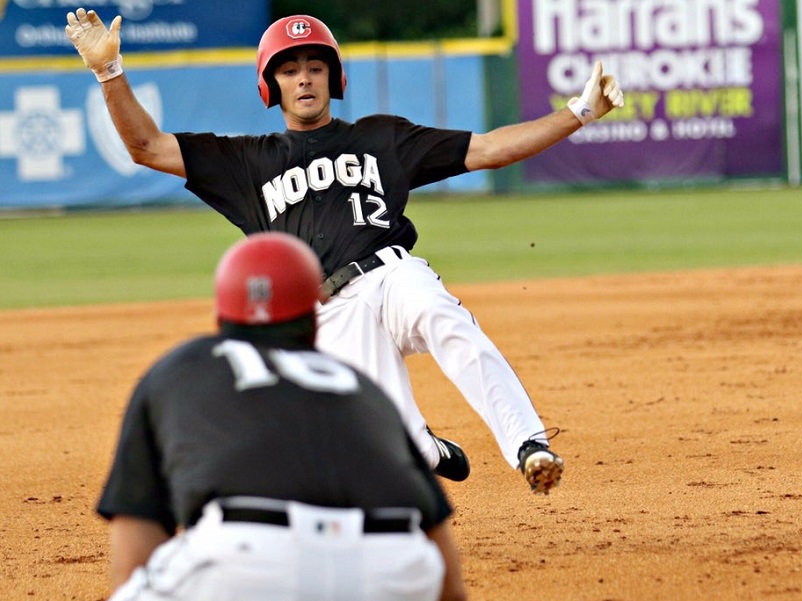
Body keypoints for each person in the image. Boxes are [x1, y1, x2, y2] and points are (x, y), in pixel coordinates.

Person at [65, 8, 625, 494]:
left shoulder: (383, 137)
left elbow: (491, 150)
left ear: (333, 78)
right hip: (327, 312)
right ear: (271, 85)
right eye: (290, 69)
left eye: (315, 67)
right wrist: (109, 72)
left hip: (392, 274)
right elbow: (146, 147)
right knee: (381, 443)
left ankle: (529, 446)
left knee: (441, 316)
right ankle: (424, 447)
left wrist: (578, 113)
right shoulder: (246, 162)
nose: (304, 78)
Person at [95, 231, 466, 601]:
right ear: (313, 316)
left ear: (220, 314)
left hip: (244, 557)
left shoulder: (180, 367)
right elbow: (446, 576)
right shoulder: (362, 389)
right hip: (393, 565)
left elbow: (132, 564)